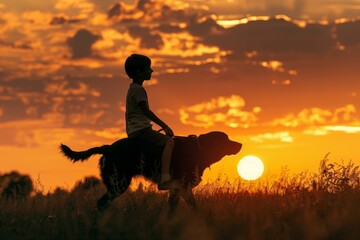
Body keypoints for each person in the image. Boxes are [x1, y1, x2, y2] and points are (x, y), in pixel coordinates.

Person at [124, 54, 181, 190]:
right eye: (148, 68)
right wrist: (165, 126)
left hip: (135, 130)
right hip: (141, 130)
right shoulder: (138, 89)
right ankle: (165, 179)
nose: (151, 71)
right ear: (139, 71)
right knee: (169, 142)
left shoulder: (132, 88)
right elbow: (146, 111)